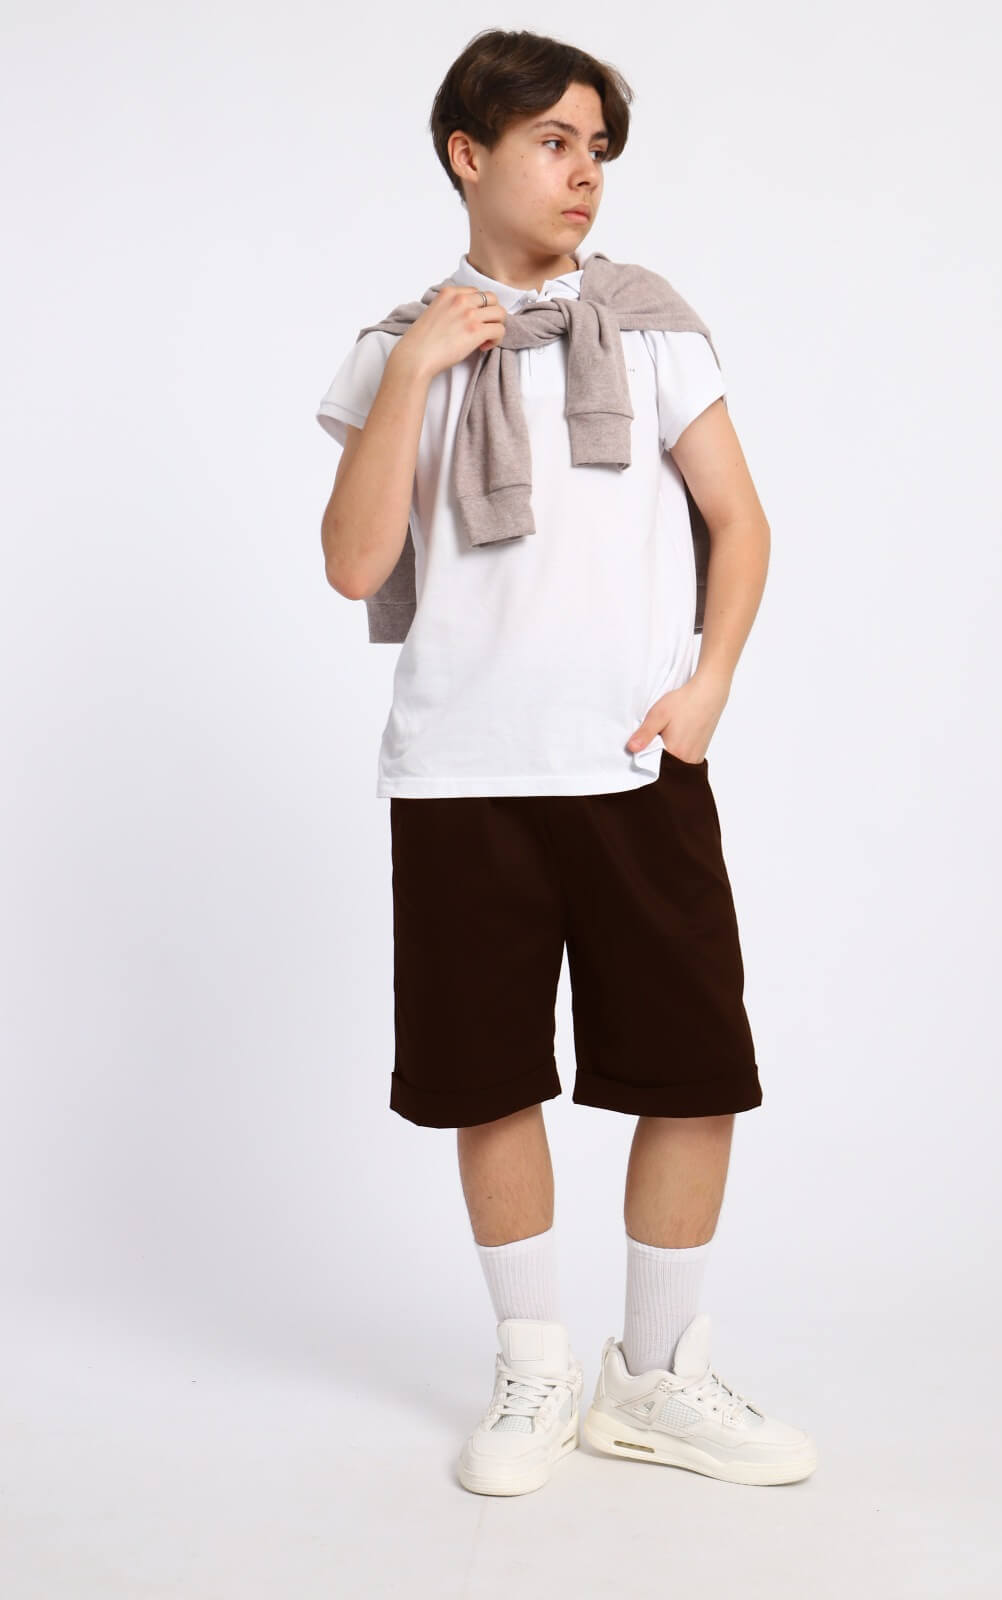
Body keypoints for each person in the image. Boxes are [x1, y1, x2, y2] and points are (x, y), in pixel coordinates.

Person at [316, 27, 817, 1497]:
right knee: (487, 1079)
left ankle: (652, 1378)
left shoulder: (649, 327)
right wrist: (419, 367)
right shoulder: (394, 347)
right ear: (468, 155)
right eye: (551, 141)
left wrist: (707, 687)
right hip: (460, 769)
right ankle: (533, 1368)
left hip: (632, 761)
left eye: (597, 146)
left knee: (692, 1068)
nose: (583, 171)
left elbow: (741, 520)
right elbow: (355, 564)